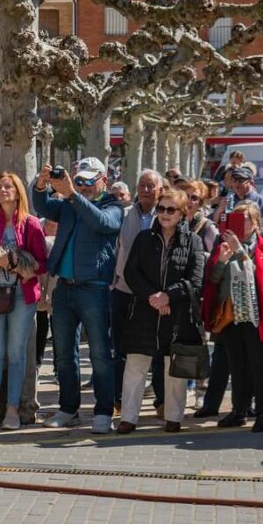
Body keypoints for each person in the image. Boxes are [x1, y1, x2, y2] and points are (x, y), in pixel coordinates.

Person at [32, 158, 124, 433]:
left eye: (87, 180)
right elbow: (43, 207)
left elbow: (102, 222)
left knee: (99, 353)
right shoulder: (69, 205)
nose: (82, 185)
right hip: (65, 286)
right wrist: (41, 184)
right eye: (78, 180)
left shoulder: (114, 206)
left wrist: (71, 193)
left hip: (94, 288)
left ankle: (104, 411)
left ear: (103, 180)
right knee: (63, 355)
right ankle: (68, 408)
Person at [118, 186, 205, 433]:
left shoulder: (193, 242)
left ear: (183, 212)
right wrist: (153, 297)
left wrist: (168, 297)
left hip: (176, 315)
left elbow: (196, 281)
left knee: (173, 369)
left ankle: (174, 417)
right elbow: (131, 272)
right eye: (161, 208)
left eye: (170, 209)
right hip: (144, 312)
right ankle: (128, 418)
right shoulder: (144, 238)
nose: (165, 214)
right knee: (135, 366)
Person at [0, 173, 48, 430]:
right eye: (0, 187)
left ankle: (13, 409)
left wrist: (14, 262)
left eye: (9, 186)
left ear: (18, 192)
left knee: (16, 355)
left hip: (21, 295)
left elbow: (42, 264)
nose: (3, 190)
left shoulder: (32, 224)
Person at [202, 201, 263, 432]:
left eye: (245, 218)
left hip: (255, 315)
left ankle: (262, 413)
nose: (240, 222)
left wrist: (239, 252)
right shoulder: (223, 247)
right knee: (236, 365)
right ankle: (239, 410)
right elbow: (213, 280)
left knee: (258, 365)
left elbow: (259, 278)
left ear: (256, 223)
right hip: (229, 314)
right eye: (235, 218)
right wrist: (222, 260)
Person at [112, 170, 164, 417]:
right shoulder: (123, 215)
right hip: (124, 290)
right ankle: (121, 401)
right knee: (122, 348)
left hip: (156, 295)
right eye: (142, 185)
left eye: (150, 186)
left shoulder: (166, 216)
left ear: (160, 190)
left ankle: (161, 401)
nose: (145, 190)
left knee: (157, 350)